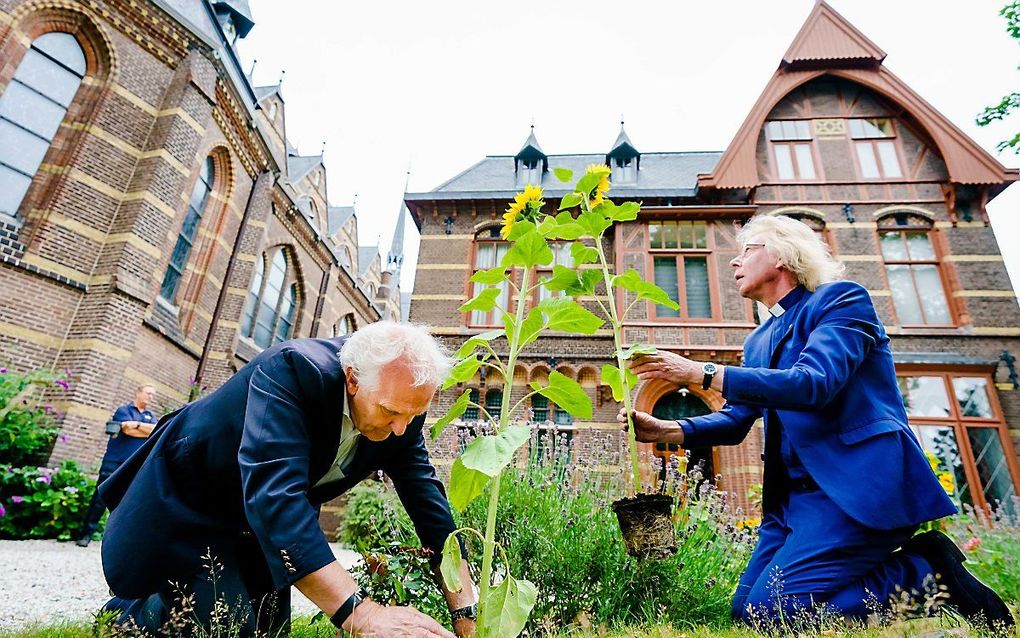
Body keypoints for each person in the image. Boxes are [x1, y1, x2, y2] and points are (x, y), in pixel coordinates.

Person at [619, 215, 1014, 631]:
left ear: (783, 255)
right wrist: (671, 431)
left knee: (776, 613)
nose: (734, 263)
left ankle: (926, 573)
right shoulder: (758, 339)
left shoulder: (841, 301)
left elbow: (814, 384)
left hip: (856, 489)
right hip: (791, 503)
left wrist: (702, 373)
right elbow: (738, 418)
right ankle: (913, 577)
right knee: (747, 615)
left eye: (747, 250)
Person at [99, 322, 476, 638]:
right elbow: (275, 497)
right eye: (391, 412)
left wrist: (466, 610)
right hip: (190, 505)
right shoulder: (293, 370)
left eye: (412, 415)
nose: (400, 429)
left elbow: (429, 506)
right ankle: (130, 614)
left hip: (254, 528)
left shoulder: (403, 410)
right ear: (353, 379)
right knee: (229, 627)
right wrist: (362, 614)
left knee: (269, 630)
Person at [75, 384, 157, 547]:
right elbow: (127, 431)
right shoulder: (123, 410)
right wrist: (136, 429)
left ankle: (113, 540)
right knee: (101, 497)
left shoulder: (150, 415)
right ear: (138, 392)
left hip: (133, 464)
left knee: (124, 501)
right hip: (114, 461)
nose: (151, 397)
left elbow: (154, 431)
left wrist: (137, 425)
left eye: (153, 395)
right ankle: (86, 535)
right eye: (148, 393)